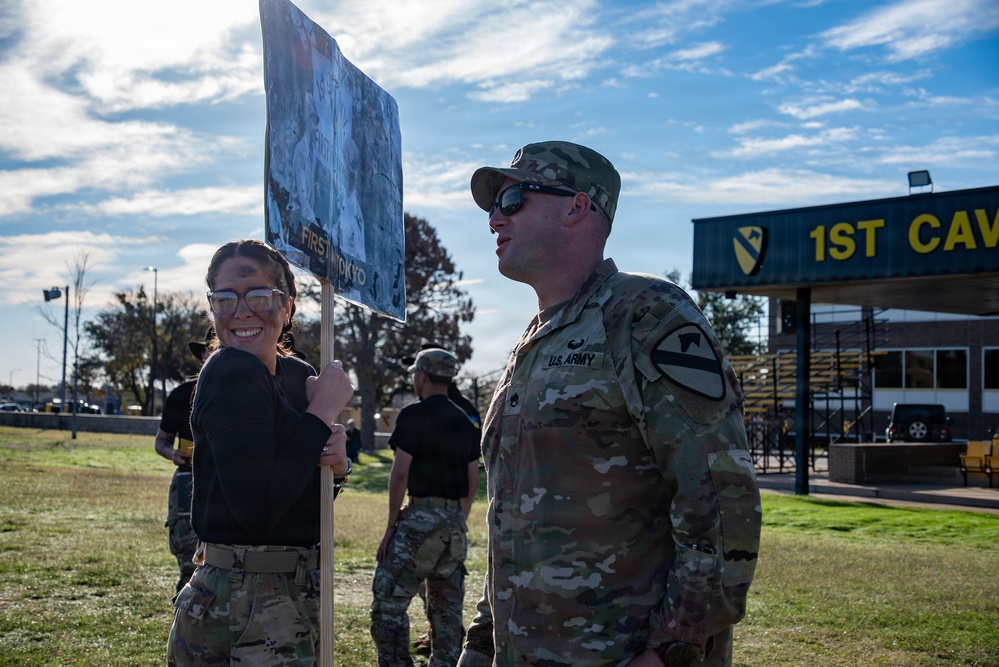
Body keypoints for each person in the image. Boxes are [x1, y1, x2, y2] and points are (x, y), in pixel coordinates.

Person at [458, 142, 762, 667]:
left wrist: (671, 649)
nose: (494, 219)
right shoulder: (535, 340)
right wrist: (482, 642)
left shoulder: (644, 313)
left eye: (512, 199)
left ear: (577, 207)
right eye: (492, 206)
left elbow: (720, 497)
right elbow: (513, 519)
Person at [167, 239, 355, 666]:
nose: (241, 311)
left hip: (295, 591)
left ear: (286, 306)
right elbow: (256, 510)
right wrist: (320, 415)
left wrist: (336, 467)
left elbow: (297, 498)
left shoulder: (298, 375)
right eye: (225, 298)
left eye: (257, 295)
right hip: (241, 598)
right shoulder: (230, 372)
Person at [371, 348, 481, 667]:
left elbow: (400, 474)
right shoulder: (465, 422)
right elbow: (473, 479)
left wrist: (391, 526)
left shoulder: (413, 415)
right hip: (454, 525)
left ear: (421, 376)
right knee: (447, 613)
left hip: (420, 521)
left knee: (388, 605)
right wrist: (458, 518)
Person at [153, 326, 215, 594]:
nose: (216, 355)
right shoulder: (181, 394)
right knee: (189, 565)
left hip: (228, 483)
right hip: (188, 480)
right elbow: (161, 441)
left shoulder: (249, 393)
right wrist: (172, 453)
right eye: (212, 350)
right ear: (203, 354)